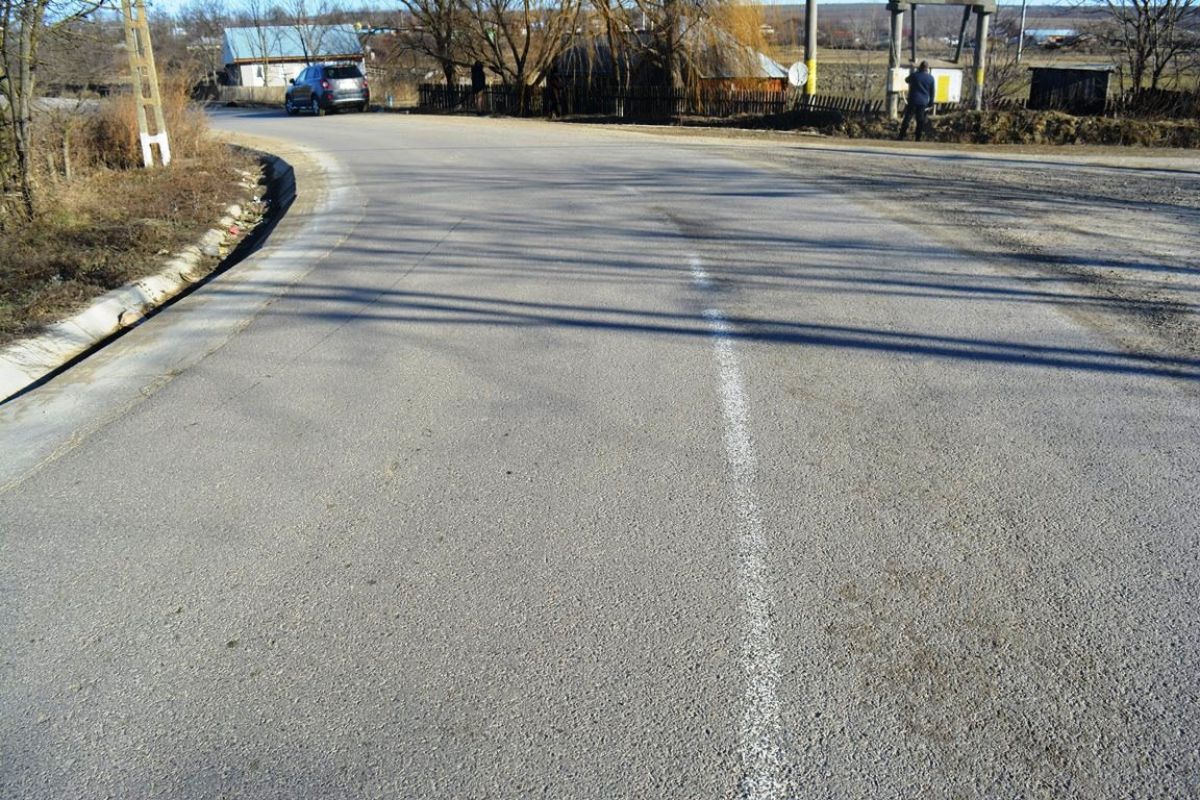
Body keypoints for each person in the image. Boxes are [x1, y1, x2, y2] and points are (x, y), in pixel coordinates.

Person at [898, 61, 936, 141]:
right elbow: (932, 92)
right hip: (923, 102)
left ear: (920, 67)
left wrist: (915, 72)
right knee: (920, 119)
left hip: (913, 100)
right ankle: (918, 137)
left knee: (907, 118)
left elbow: (906, 80)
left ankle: (901, 135)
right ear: (927, 68)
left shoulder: (915, 75)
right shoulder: (931, 78)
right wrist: (931, 102)